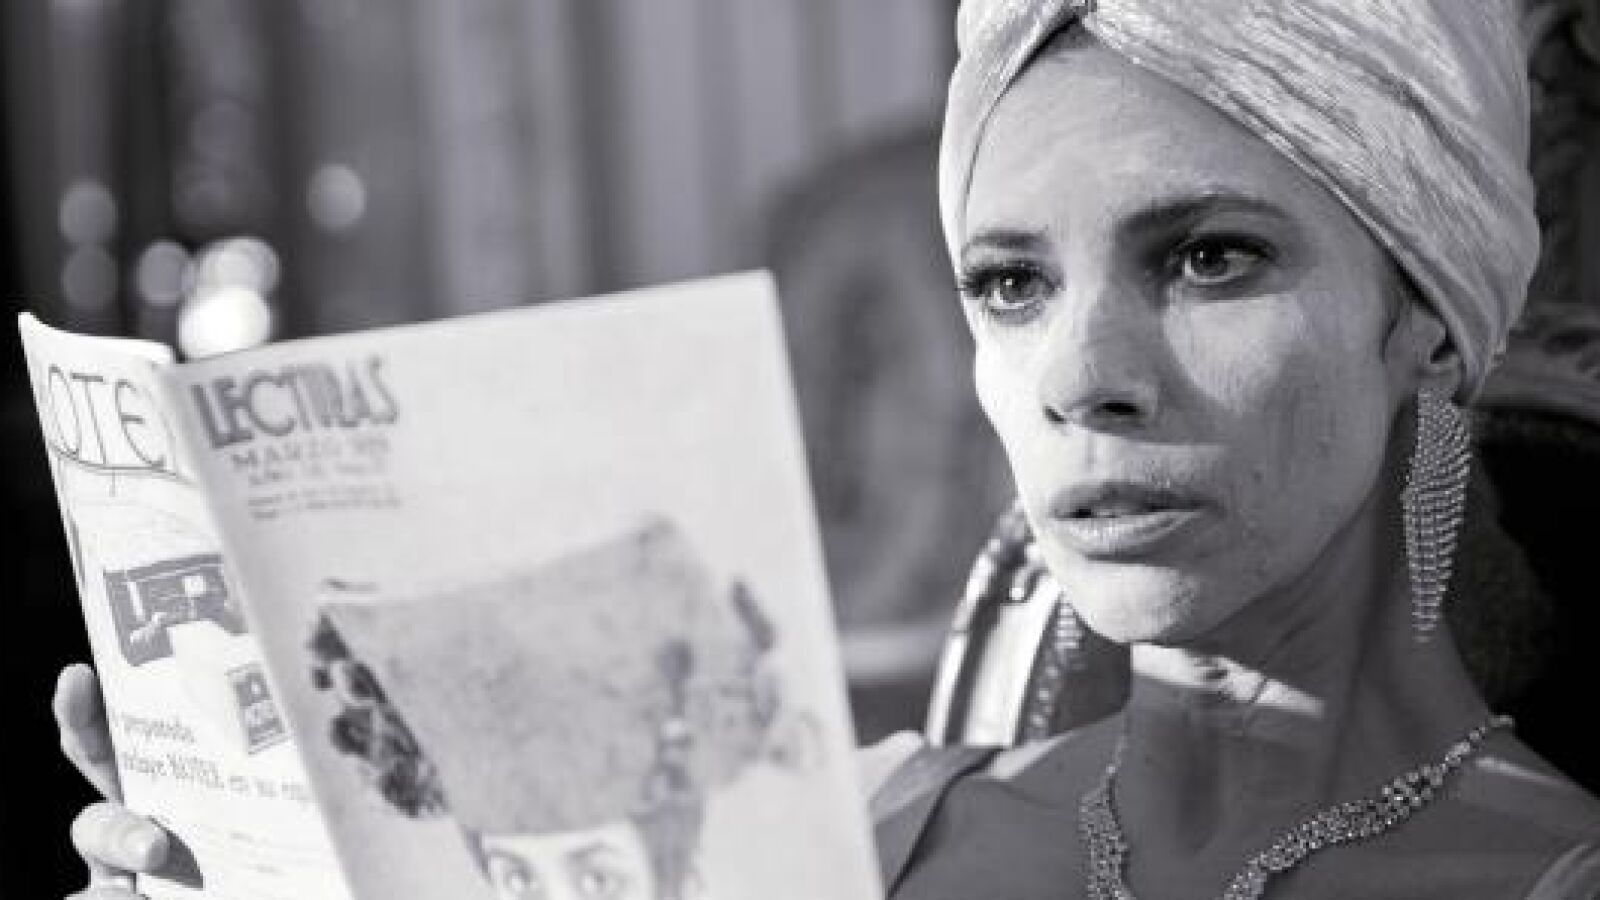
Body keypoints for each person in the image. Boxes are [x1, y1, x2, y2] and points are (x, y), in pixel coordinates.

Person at [52, 0, 1600, 897]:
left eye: (1208, 259)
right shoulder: (821, 832)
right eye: (1012, 286)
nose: (1081, 379)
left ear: (1425, 320)